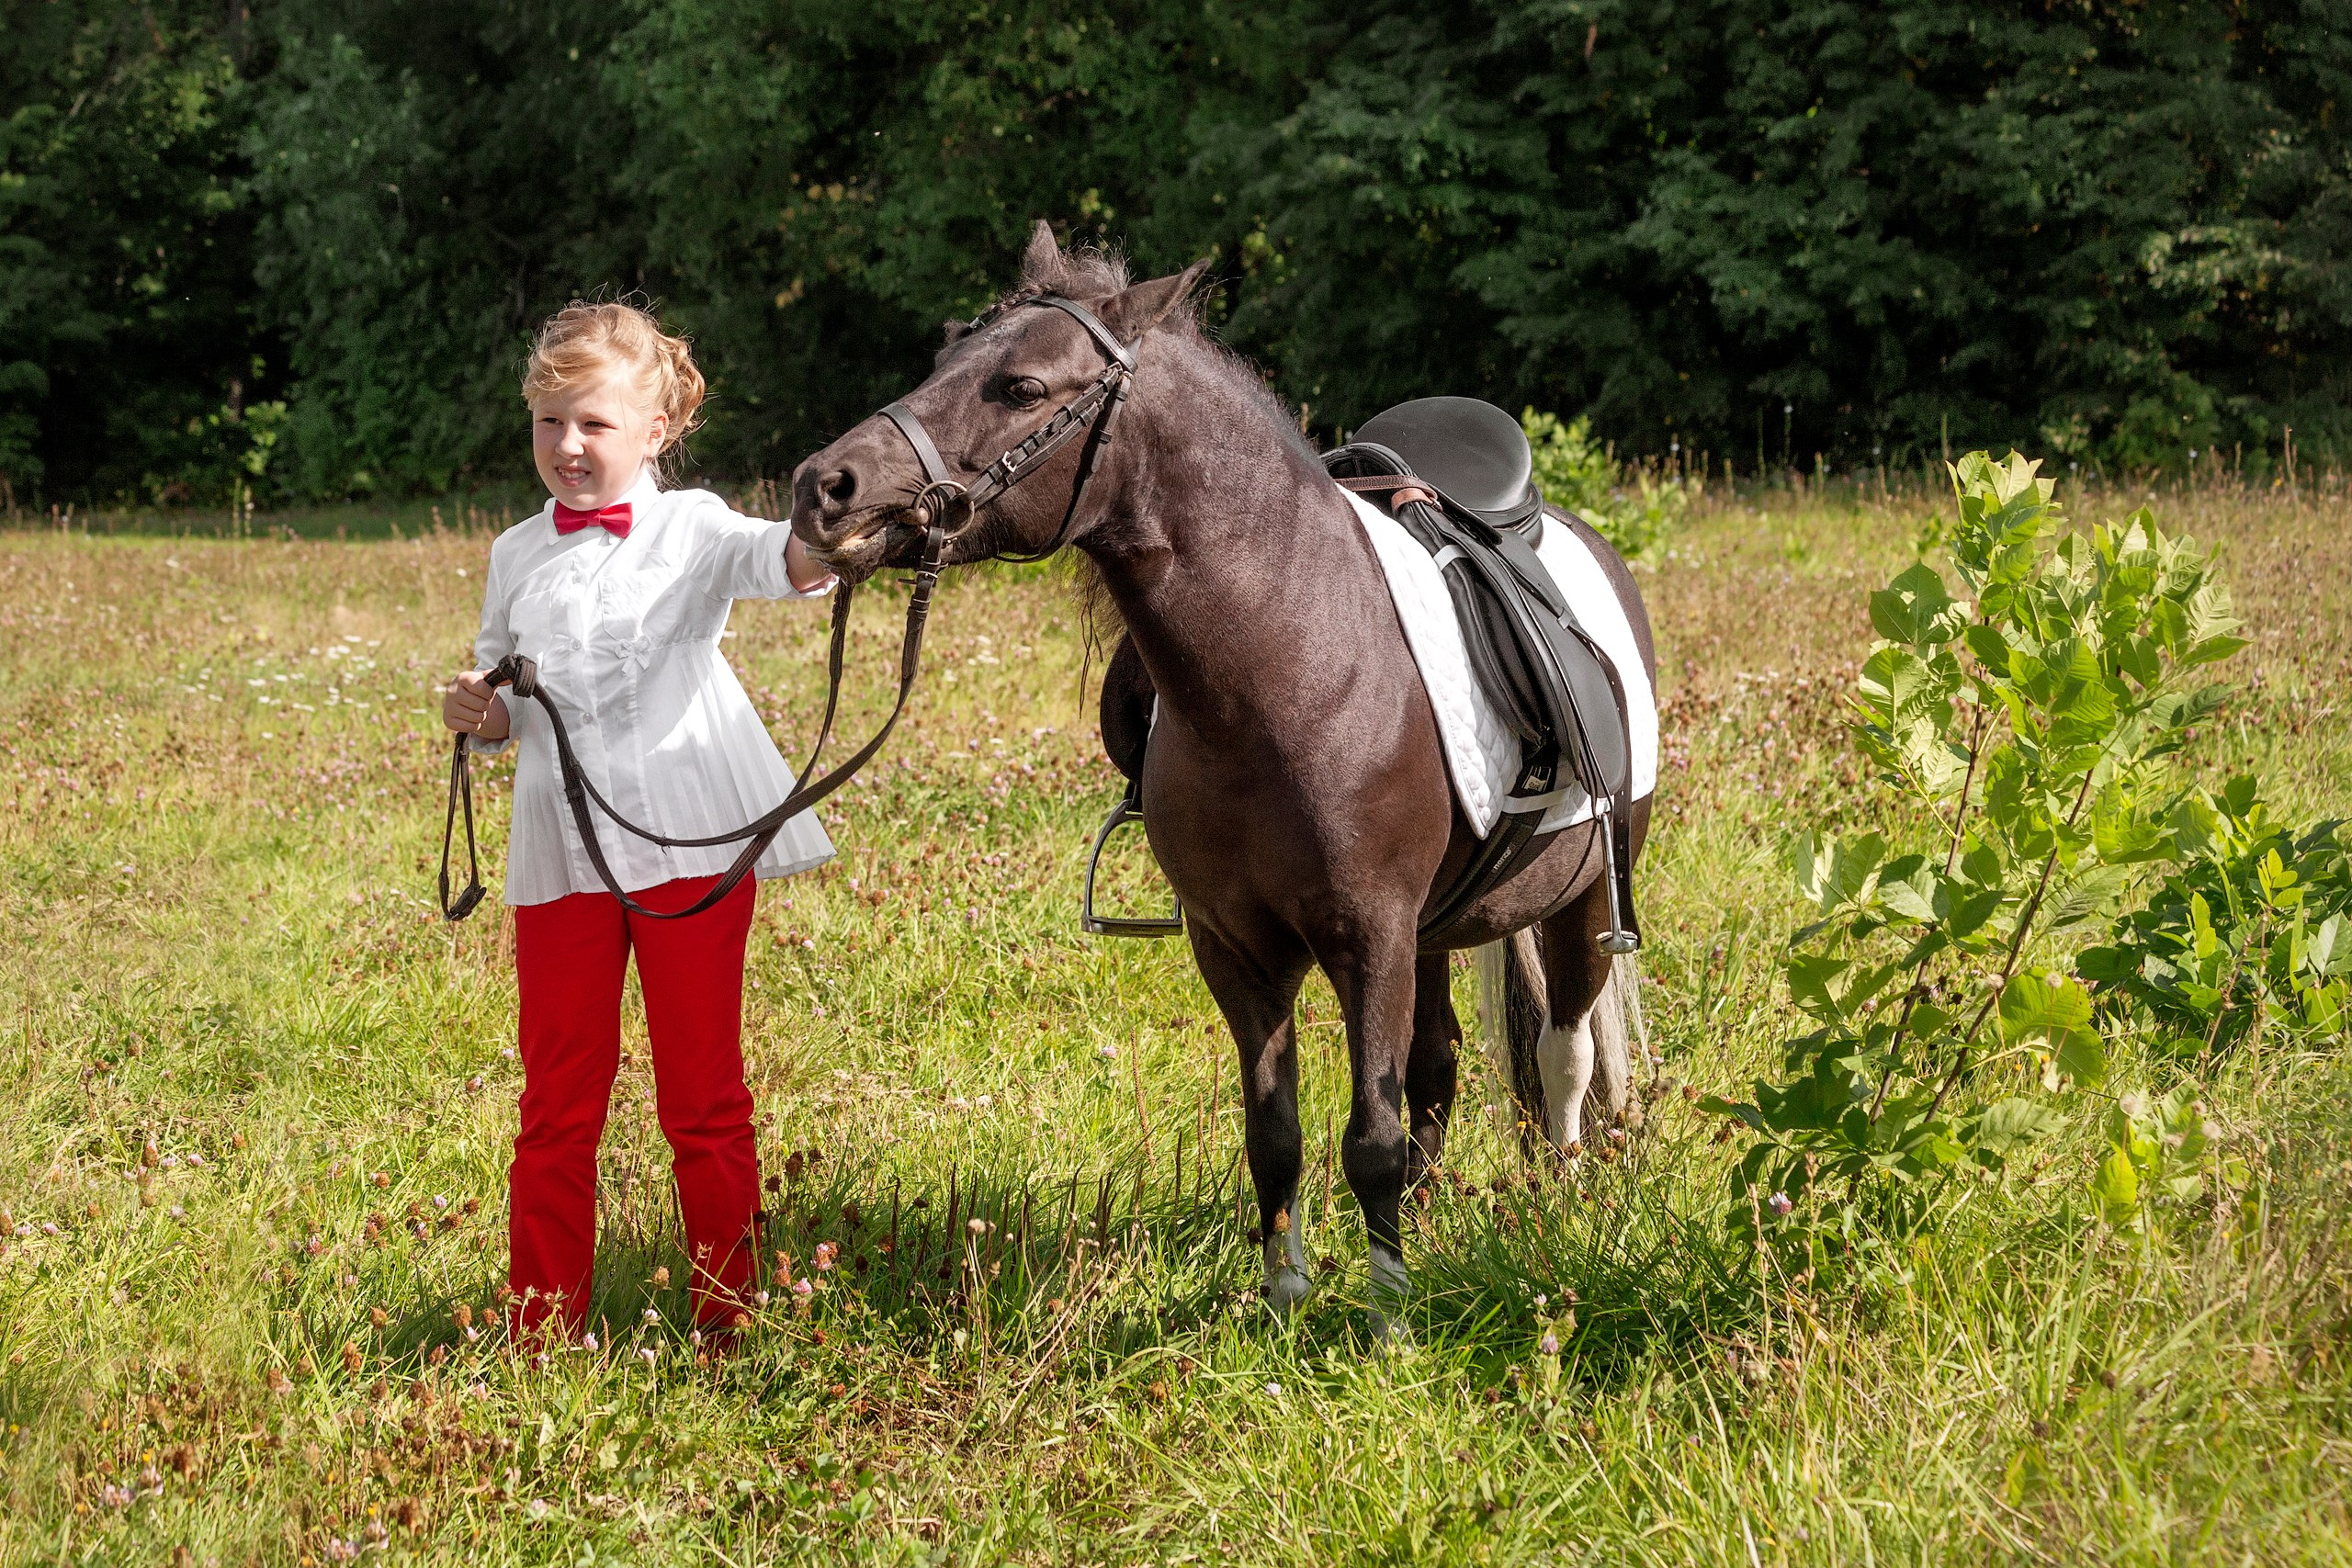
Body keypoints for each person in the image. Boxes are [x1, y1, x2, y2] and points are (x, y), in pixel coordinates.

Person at [442, 299, 835, 1346]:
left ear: (654, 432)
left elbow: (785, 565)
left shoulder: (696, 526)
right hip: (559, 857)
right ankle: (540, 1328)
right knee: (556, 1102)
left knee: (702, 1098)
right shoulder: (514, 552)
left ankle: (730, 1321)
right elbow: (505, 690)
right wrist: (480, 713)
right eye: (548, 423)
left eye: (595, 425)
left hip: (686, 849)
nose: (567, 447)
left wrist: (830, 525)